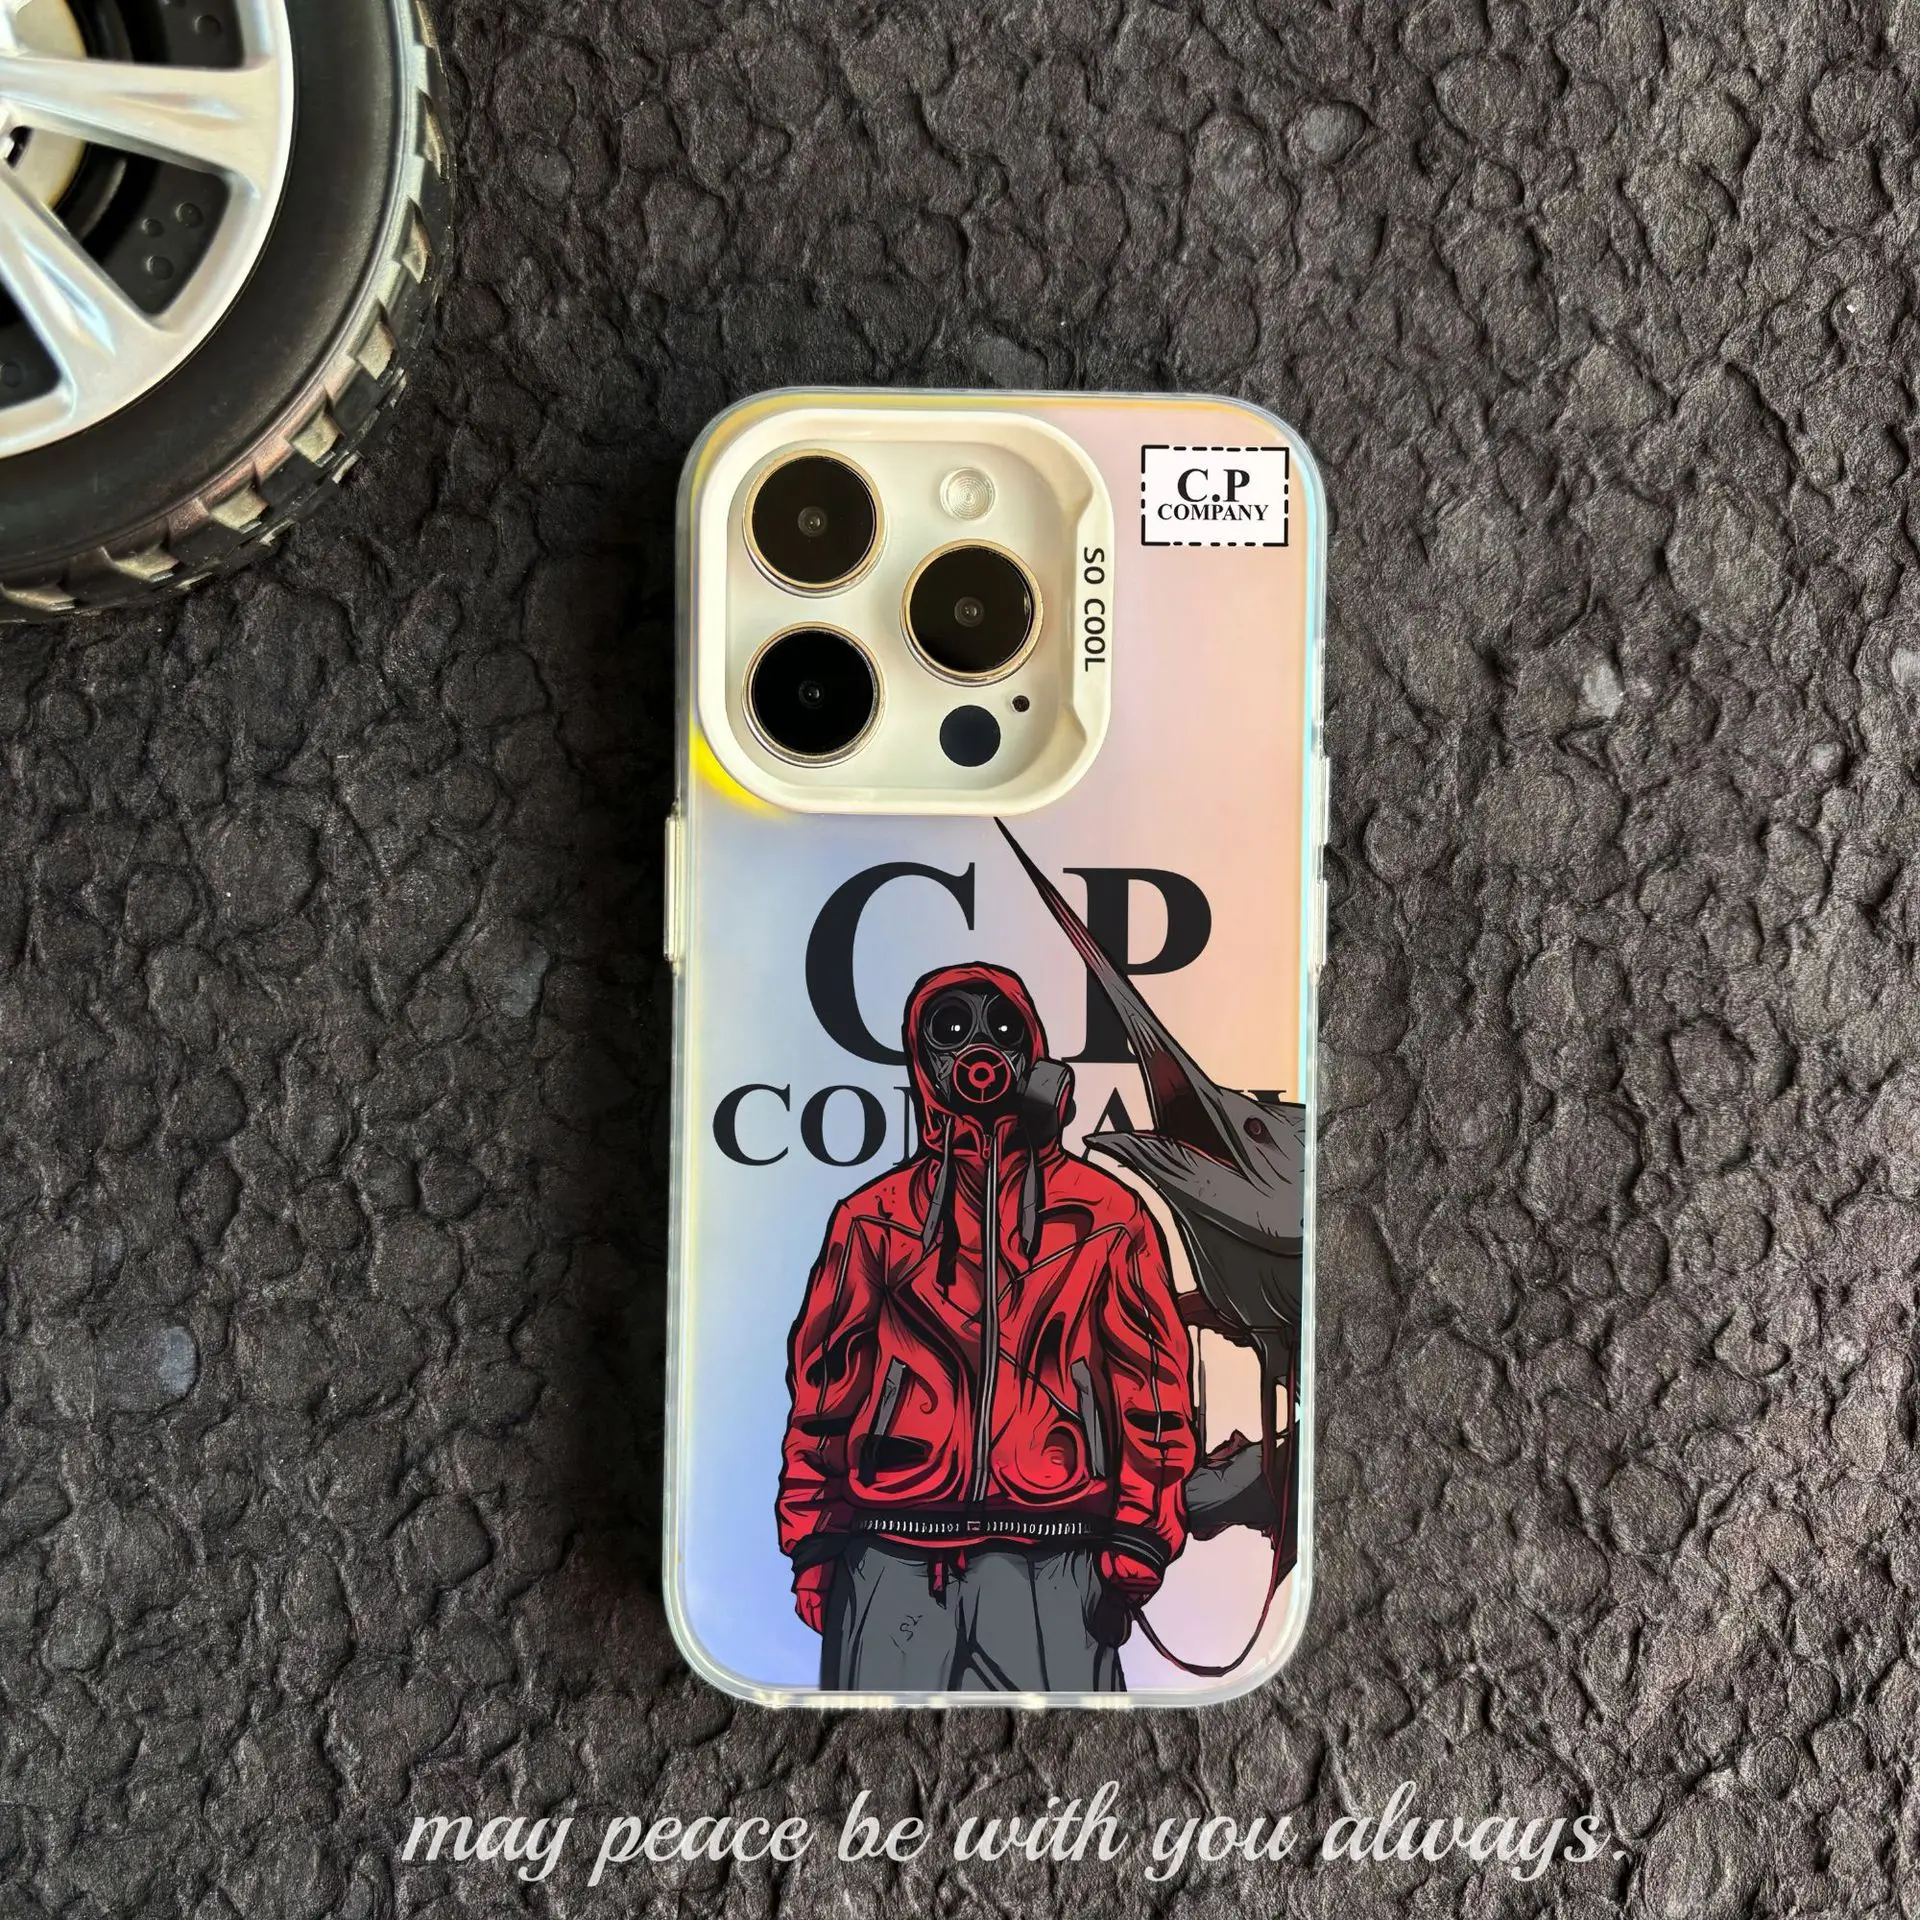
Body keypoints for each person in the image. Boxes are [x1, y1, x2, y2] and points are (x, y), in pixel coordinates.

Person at [777, 961, 1197, 1692]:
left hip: (1058, 1560)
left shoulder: (1107, 1216)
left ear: (1032, 1051)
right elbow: (824, 1388)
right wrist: (815, 1544)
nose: (980, 1048)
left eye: (1002, 1028)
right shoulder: (871, 1219)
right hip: (890, 1558)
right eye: (951, 1029)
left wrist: (1141, 1535)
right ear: (923, 1061)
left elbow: (1153, 1386)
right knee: (862, 1746)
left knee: (1073, 1749)